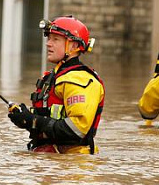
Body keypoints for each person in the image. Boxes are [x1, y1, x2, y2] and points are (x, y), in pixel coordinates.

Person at [7, 16, 105, 154]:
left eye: (55, 39)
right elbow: (50, 121)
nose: (48, 43)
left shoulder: (81, 80)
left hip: (73, 166)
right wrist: (25, 118)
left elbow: (76, 130)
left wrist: (34, 121)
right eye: (49, 38)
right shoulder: (55, 76)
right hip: (52, 158)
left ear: (74, 46)